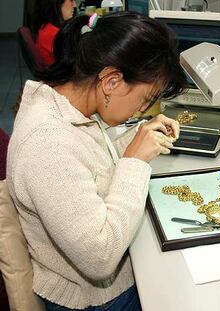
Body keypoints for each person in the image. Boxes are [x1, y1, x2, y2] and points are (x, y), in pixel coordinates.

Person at [7, 11, 186, 311]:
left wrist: (137, 137)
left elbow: (87, 160)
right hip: (97, 300)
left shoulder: (67, 106)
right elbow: (100, 257)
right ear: (112, 81)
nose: (143, 109)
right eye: (145, 99)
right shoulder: (46, 143)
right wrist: (135, 161)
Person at [27, 0, 77, 66]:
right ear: (57, 4)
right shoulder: (52, 34)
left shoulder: (49, 27)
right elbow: (73, 60)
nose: (75, 5)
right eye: (71, 0)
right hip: (60, 73)